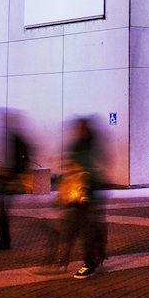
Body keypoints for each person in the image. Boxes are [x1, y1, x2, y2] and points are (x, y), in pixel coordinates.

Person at [60, 118, 105, 278]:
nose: (80, 131)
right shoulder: (77, 145)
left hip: (90, 192)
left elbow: (97, 165)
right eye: (78, 129)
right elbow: (71, 165)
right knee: (72, 225)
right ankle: (93, 252)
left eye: (82, 128)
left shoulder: (93, 145)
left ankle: (89, 263)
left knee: (88, 228)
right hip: (76, 193)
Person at [0, 130, 31, 252]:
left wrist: (17, 178)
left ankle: (4, 240)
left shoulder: (15, 138)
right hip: (8, 178)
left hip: (11, 179)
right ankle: (4, 239)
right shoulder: (12, 137)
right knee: (2, 210)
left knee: (2, 210)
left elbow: (22, 159)